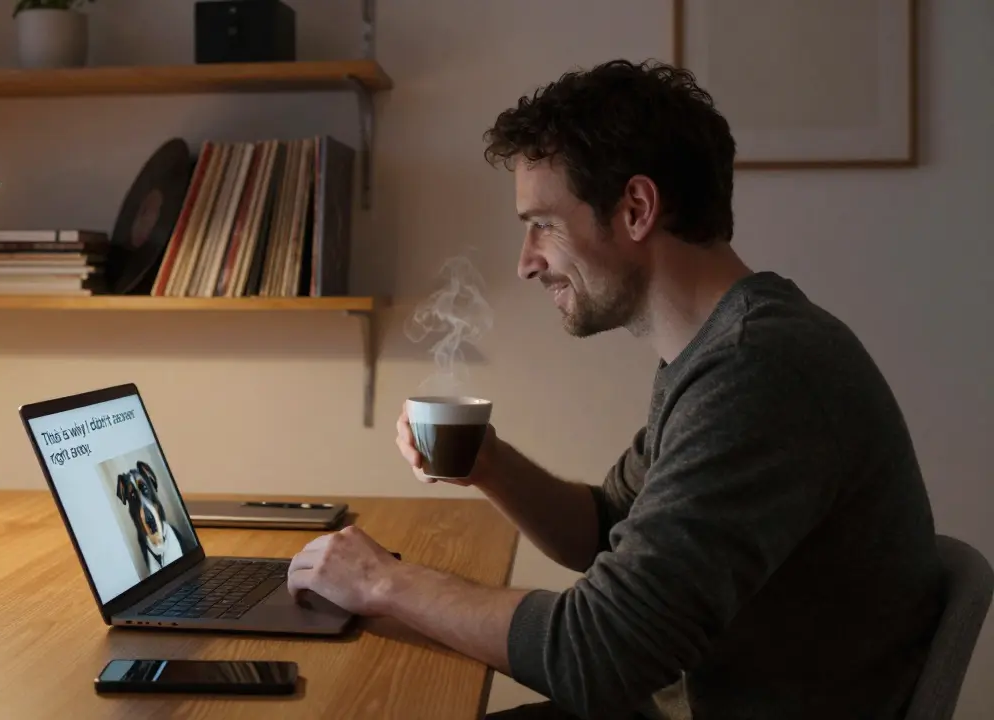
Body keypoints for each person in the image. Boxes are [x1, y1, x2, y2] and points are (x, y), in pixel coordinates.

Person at [285, 59, 944, 719]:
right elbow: (605, 528)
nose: (526, 262)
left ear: (635, 209)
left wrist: (382, 581)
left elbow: (599, 654)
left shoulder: (760, 371)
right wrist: (487, 462)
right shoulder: (718, 354)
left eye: (542, 222)